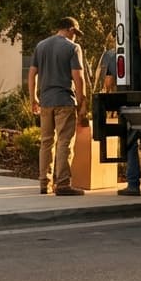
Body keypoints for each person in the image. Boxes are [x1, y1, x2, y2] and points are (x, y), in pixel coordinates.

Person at [29, 16, 87, 196]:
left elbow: (32, 74)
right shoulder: (72, 48)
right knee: (64, 142)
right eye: (75, 33)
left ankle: (43, 183)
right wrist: (82, 104)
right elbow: (78, 78)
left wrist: (33, 98)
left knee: (46, 142)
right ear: (70, 30)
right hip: (64, 101)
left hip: (46, 101)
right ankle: (62, 184)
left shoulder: (41, 46)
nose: (75, 37)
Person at [101, 39, 141, 196]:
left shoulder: (113, 55)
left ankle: (133, 184)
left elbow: (108, 82)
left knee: (130, 143)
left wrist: (110, 100)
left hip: (126, 103)